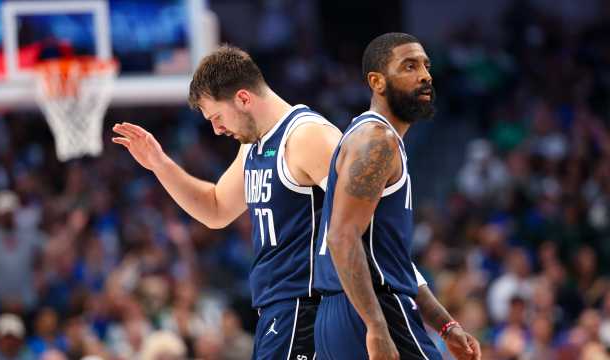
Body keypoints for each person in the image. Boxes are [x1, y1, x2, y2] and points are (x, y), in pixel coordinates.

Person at [112, 45, 341, 359]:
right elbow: (216, 209)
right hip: (277, 310)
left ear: (244, 98)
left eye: (217, 117)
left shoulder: (307, 137)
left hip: (308, 305)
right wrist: (160, 164)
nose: (217, 129)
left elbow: (364, 218)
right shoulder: (254, 146)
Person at [314, 33, 482, 360]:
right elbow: (341, 236)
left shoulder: (374, 138)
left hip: (340, 314)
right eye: (409, 66)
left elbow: (393, 263)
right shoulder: (377, 140)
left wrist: (445, 326)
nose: (425, 75)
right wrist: (376, 326)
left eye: (426, 65)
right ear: (377, 82)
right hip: (372, 309)